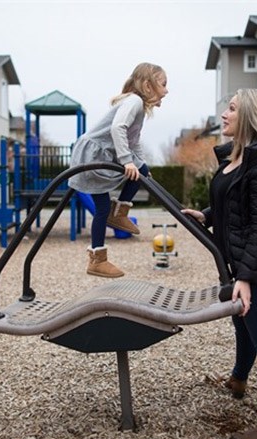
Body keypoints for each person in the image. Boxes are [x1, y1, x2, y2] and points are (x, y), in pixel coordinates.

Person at [182, 89, 257, 439]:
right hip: (240, 266)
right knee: (242, 326)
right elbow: (232, 206)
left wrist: (245, 279)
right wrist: (206, 215)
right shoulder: (237, 159)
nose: (224, 113)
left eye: (231, 108)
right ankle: (238, 379)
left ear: (249, 115)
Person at [68, 62, 168, 278]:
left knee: (103, 207)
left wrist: (139, 163)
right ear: (148, 86)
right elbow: (117, 128)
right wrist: (127, 161)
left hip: (98, 153)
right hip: (93, 154)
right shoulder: (134, 102)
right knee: (106, 204)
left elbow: (133, 142)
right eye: (163, 84)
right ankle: (117, 216)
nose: (167, 90)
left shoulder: (138, 107)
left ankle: (98, 257)